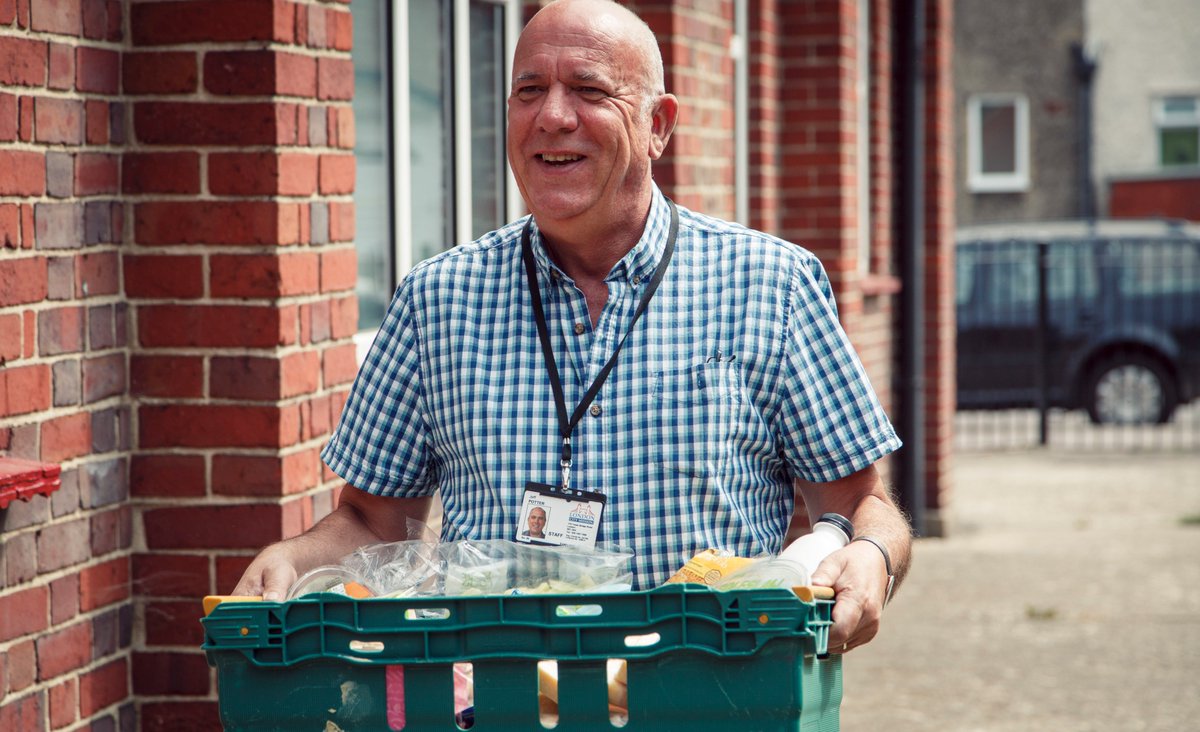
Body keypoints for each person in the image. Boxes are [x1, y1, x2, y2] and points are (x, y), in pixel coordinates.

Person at [234, 0, 911, 654]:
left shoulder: (771, 285)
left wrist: (874, 556)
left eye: (589, 90)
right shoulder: (435, 299)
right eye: (529, 90)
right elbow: (371, 520)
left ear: (658, 125)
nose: (553, 116)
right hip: (497, 698)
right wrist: (293, 558)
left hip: (704, 694)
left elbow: (861, 502)